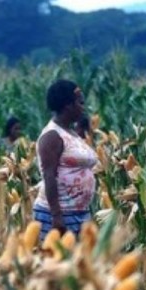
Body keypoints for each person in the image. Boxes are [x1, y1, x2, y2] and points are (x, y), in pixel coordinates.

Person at [33, 79, 98, 241]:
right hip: (58, 215)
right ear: (68, 105)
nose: (83, 108)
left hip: (80, 213)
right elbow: (49, 175)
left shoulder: (71, 133)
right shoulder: (52, 136)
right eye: (80, 103)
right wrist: (56, 216)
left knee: (81, 264)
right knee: (56, 264)